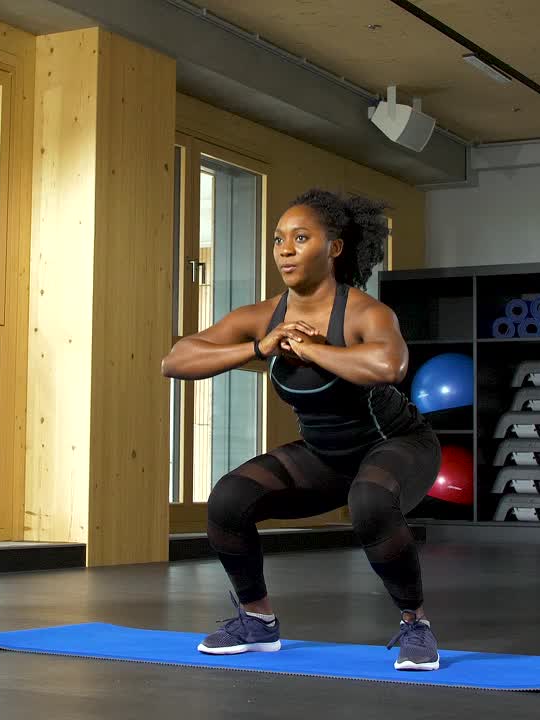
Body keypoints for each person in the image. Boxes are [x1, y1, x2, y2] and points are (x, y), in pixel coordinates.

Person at [160, 188, 443, 671]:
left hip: (396, 446)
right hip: (326, 456)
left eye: (300, 237)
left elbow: (389, 364)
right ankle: (257, 621)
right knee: (229, 498)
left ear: (333, 248)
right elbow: (177, 359)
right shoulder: (262, 316)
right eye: (278, 240)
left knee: (370, 502)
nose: (285, 250)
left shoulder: (363, 312)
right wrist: (261, 346)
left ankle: (415, 625)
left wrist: (311, 350)